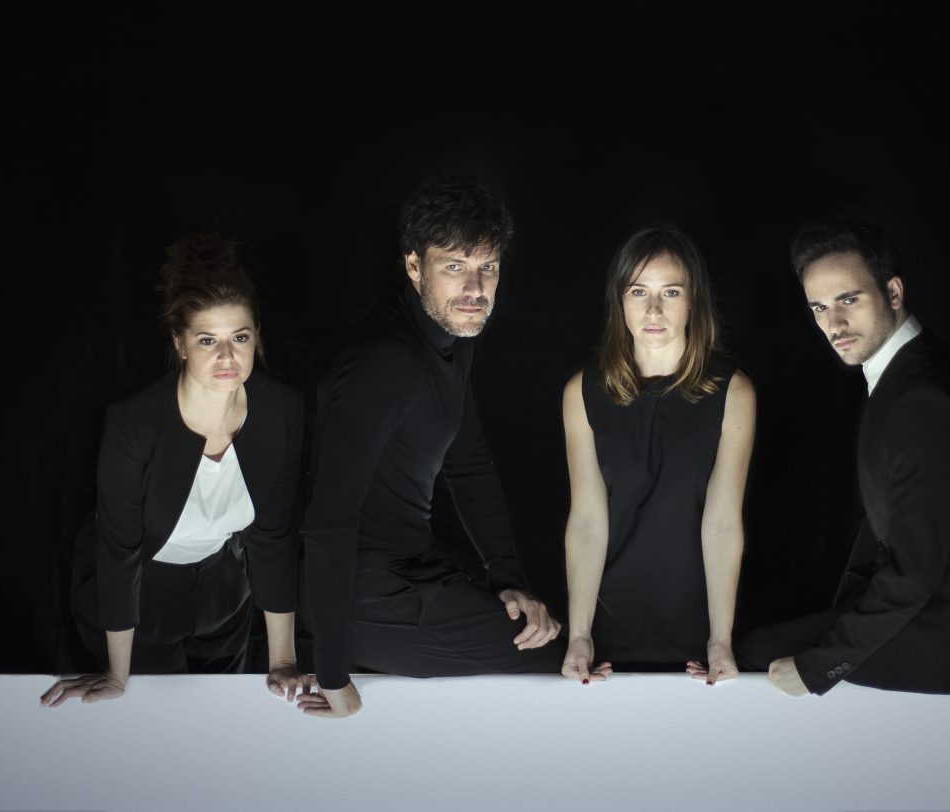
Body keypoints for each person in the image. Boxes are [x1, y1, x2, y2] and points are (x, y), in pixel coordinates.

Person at [739, 221, 950, 696]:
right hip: (942, 608)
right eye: (819, 307)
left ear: (894, 292)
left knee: (760, 657)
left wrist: (821, 668)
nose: (834, 324)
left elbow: (914, 572)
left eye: (849, 300)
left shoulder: (921, 400)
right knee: (764, 636)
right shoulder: (909, 367)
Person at [299, 176, 564, 719]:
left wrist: (508, 578)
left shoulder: (454, 337)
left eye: (488, 267)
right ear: (414, 266)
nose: (475, 288)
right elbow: (327, 523)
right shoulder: (384, 362)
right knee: (554, 653)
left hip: (414, 569)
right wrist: (331, 671)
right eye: (454, 266)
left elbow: (468, 464)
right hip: (360, 597)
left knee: (554, 627)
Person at [42, 234, 306, 706]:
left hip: (225, 591)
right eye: (207, 340)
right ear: (179, 344)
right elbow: (119, 551)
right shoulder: (135, 422)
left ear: (256, 337)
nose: (227, 357)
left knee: (223, 719)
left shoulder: (281, 410)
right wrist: (117, 674)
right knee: (154, 723)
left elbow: (274, 535)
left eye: (240, 337)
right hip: (139, 596)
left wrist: (282, 660)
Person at [560, 225, 756, 685]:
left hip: (699, 635)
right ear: (620, 301)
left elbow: (723, 523)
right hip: (608, 634)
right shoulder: (581, 392)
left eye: (670, 292)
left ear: (693, 301)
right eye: (638, 292)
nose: (653, 310)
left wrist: (720, 640)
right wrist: (580, 635)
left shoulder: (734, 392)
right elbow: (587, 520)